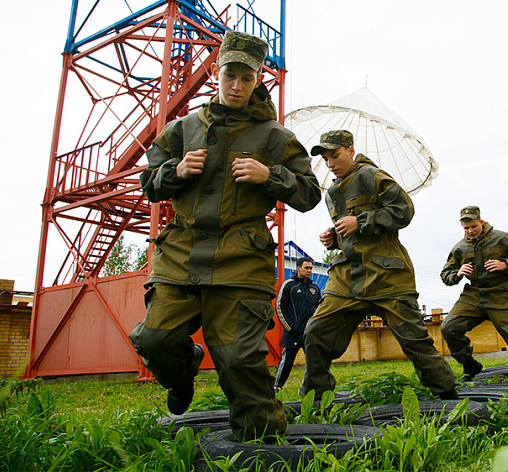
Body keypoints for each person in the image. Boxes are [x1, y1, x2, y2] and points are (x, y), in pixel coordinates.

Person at [129, 31, 322, 441]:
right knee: (155, 339)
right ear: (216, 73)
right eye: (229, 75)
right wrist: (175, 172)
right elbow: (147, 182)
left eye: (246, 79)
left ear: (257, 81)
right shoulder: (182, 130)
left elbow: (309, 194)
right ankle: (182, 373)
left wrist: (271, 175)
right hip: (180, 253)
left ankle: (260, 442)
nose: (236, 86)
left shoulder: (275, 137)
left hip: (241, 257)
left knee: (239, 359)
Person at [299, 130, 458, 400]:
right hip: (348, 277)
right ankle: (314, 400)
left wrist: (359, 221)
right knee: (316, 331)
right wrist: (334, 237)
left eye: (334, 156)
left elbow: (403, 211)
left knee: (413, 339)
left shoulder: (372, 176)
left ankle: (448, 394)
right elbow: (352, 236)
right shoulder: (332, 193)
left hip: (386, 274)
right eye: (325, 159)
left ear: (350, 150)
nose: (330, 164)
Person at [440, 207, 508, 380]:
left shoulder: (501, 238)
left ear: (481, 222)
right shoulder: (459, 248)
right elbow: (445, 275)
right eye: (466, 228)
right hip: (474, 295)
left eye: (473, 226)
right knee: (448, 328)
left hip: (502, 293)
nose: (470, 231)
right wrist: (457, 274)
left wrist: (506, 265)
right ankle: (470, 365)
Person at [274, 257, 321, 391]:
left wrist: (315, 328)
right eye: (306, 268)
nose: (309, 271)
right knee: (286, 362)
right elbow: (279, 307)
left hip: (309, 334)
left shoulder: (314, 288)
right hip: (293, 334)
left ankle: (316, 389)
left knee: (315, 363)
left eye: (311, 268)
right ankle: (277, 388)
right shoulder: (289, 285)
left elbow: (319, 309)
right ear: (298, 268)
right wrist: (290, 328)